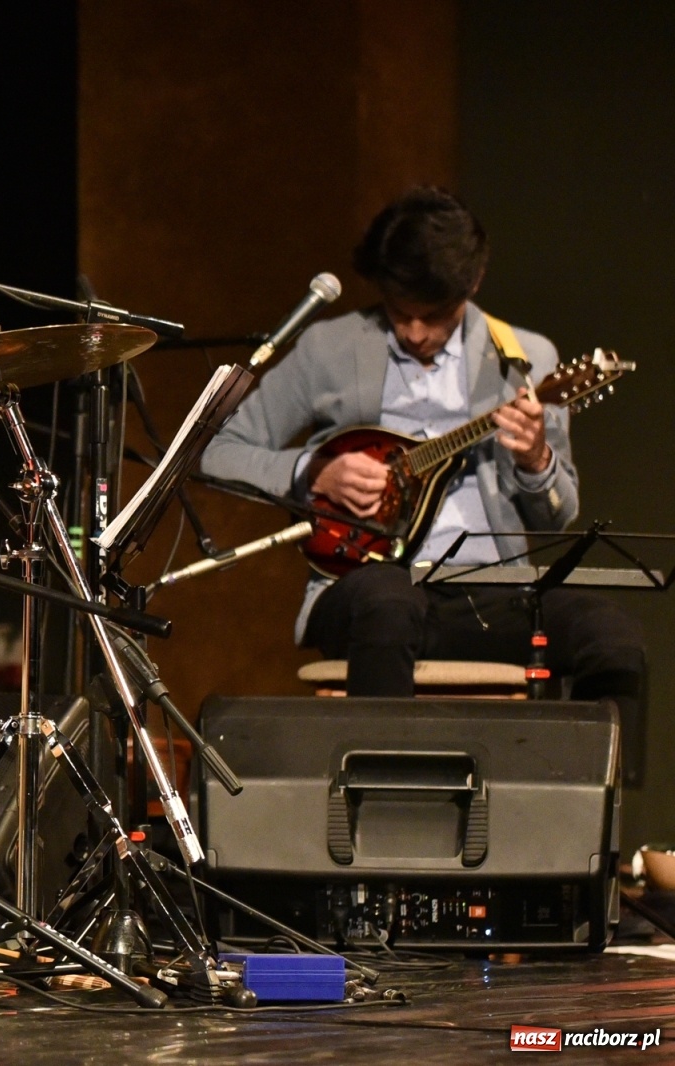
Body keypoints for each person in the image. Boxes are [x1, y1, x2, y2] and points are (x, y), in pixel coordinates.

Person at [201, 186, 646, 780]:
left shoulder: (526, 359)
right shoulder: (330, 348)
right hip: (364, 588)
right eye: (398, 308)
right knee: (388, 601)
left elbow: (556, 519)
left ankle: (592, 827)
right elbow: (217, 451)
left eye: (433, 314)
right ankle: (386, 814)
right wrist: (313, 471)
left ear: (474, 283)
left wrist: (535, 457)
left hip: (492, 592)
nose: (413, 331)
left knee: (612, 636)